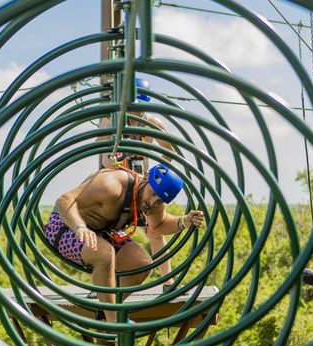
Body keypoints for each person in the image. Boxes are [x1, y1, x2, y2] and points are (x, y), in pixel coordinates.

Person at [47, 164, 204, 322]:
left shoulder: (155, 201)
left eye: (159, 200)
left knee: (142, 264)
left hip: (102, 231)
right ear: (146, 177)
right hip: (65, 226)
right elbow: (64, 200)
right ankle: (113, 321)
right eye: (152, 193)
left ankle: (104, 313)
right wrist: (79, 227)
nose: (152, 202)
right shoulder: (111, 185)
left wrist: (184, 221)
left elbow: (159, 224)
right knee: (105, 254)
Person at [96, 78, 180, 292]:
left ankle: (167, 282)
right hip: (117, 182)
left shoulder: (151, 123)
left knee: (155, 229)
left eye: (139, 110)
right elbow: (100, 149)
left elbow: (169, 148)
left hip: (142, 184)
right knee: (104, 234)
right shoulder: (112, 120)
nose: (135, 115)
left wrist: (159, 173)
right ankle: (104, 285)